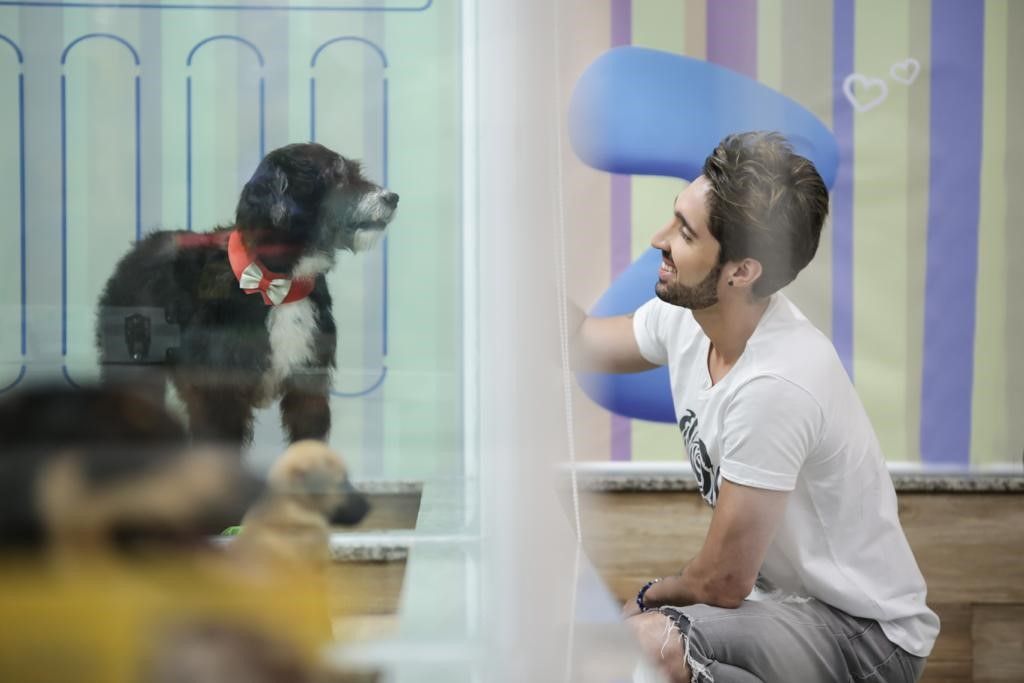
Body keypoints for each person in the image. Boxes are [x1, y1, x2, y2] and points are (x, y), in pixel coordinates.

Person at [572, 132, 938, 683]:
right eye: (675, 219)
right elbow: (582, 342)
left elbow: (722, 582)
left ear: (741, 271)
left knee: (649, 646)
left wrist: (648, 596)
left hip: (867, 639)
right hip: (783, 608)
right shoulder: (691, 314)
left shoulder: (778, 381)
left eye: (685, 233)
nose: (659, 239)